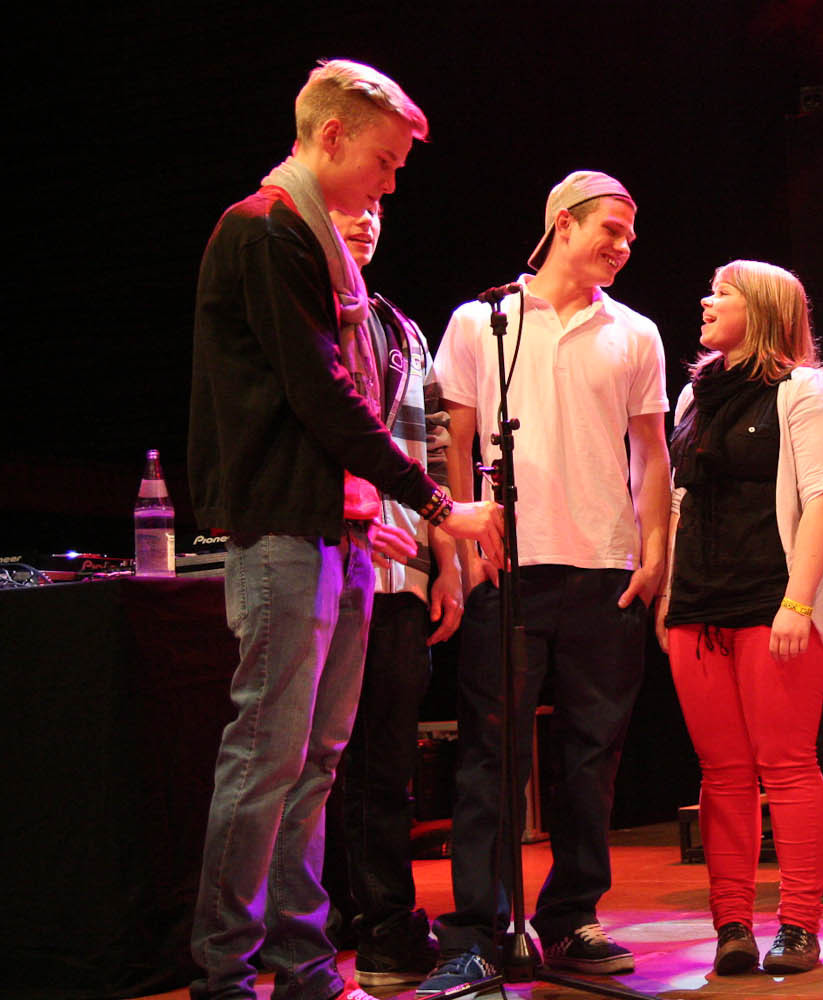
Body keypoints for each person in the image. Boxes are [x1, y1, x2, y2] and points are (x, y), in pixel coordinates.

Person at [186, 59, 504, 1000]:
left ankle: (301, 961)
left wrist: (388, 514)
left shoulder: (319, 248)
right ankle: (223, 971)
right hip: (284, 532)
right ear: (330, 137)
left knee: (315, 761)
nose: (391, 183)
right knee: (268, 755)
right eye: (385, 161)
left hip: (339, 534)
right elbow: (321, 394)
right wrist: (437, 504)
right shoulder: (266, 230)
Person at [419, 170, 670, 994]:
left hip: (605, 568)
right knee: (491, 755)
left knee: (592, 757)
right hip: (508, 564)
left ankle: (570, 916)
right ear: (563, 223)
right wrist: (460, 547)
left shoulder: (634, 332)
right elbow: (456, 441)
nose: (624, 246)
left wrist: (654, 552)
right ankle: (479, 931)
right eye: (611, 229)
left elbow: (651, 453)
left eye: (630, 234)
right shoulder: (482, 321)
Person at [655, 261, 823, 976]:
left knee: (787, 766)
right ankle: (731, 924)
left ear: (762, 309)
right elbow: (681, 503)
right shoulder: (694, 394)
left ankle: (798, 925)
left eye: (724, 292)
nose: (707, 301)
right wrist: (670, 597)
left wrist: (798, 602)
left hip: (773, 601)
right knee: (722, 773)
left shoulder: (803, 390)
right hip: (699, 606)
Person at [319, 202, 464, 987]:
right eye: (350, 206)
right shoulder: (306, 310)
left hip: (402, 571)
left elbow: (433, 446)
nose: (366, 220)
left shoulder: (401, 329)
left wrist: (449, 562)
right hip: (324, 555)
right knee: (314, 760)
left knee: (386, 761)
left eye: (376, 208)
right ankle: (322, 920)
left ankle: (383, 926)